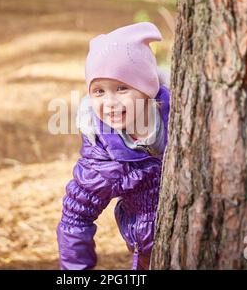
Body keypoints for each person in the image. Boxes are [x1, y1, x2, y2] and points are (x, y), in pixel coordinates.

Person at [56, 22, 170, 270]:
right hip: (151, 253)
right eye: (98, 91)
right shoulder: (104, 157)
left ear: (147, 88)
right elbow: (75, 217)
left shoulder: (180, 116)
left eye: (121, 88)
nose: (109, 101)